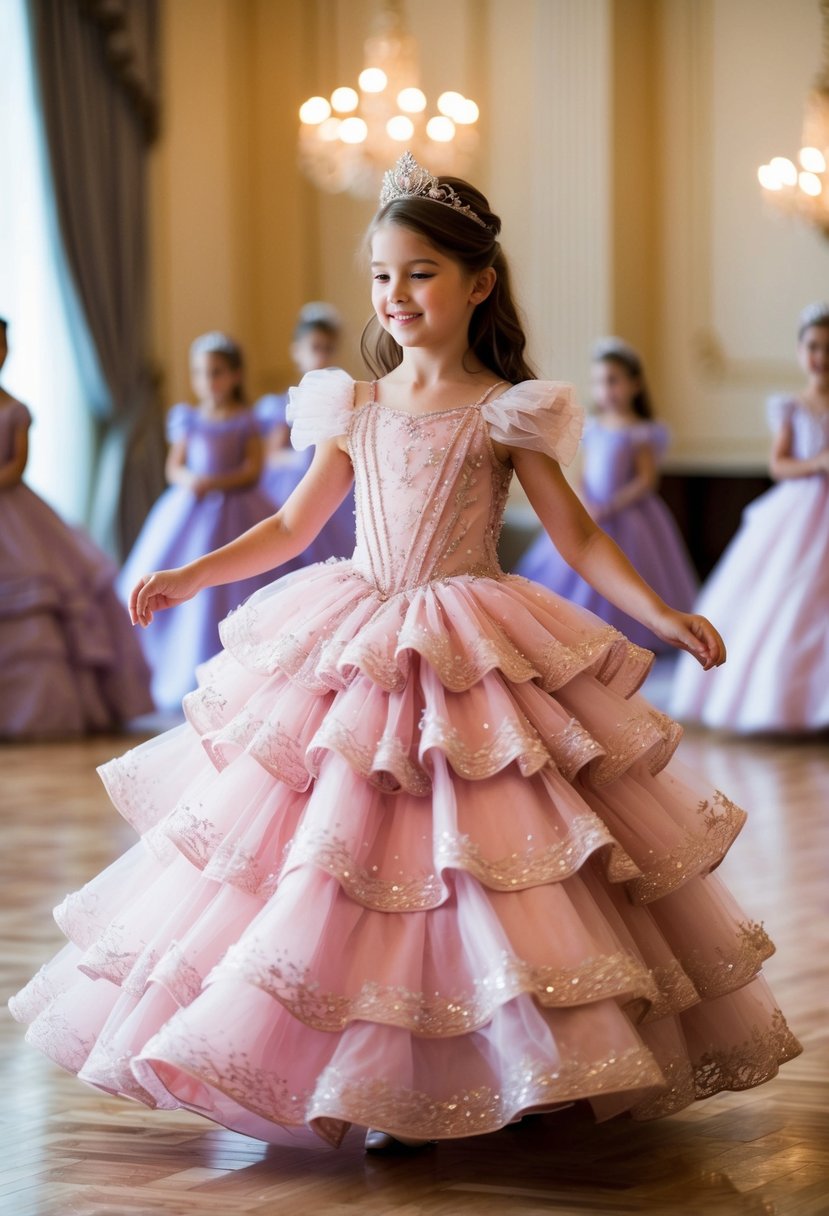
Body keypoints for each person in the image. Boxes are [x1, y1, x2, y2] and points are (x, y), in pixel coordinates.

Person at [10, 154, 799, 1153]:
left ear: (478, 283)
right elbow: (294, 529)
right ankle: (337, 1062)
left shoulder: (506, 410)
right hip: (355, 634)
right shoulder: (353, 405)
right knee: (332, 858)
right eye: (383, 275)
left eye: (420, 273)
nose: (397, 295)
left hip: (470, 642)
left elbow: (581, 538)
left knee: (487, 865)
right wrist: (190, 572)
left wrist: (663, 611)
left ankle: (512, 1061)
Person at [671, 302, 829, 732]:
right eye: (814, 346)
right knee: (792, 595)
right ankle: (784, 702)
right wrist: (817, 464)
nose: (821, 357)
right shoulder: (792, 407)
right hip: (801, 509)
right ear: (801, 351)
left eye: (828, 348)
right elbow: (779, 465)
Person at [0, 316, 152, 738]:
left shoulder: (15, 409)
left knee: (40, 597)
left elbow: (16, 466)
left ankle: (37, 712)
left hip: (14, 512)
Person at [118, 332, 276, 709]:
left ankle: (238, 672)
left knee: (234, 585)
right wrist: (190, 480)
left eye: (217, 372)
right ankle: (180, 670)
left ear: (236, 375)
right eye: (201, 373)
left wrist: (217, 483)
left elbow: (253, 470)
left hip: (237, 510)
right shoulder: (189, 419)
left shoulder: (246, 420)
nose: (208, 381)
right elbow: (175, 465)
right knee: (178, 578)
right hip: (191, 508)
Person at [516, 338, 697, 651]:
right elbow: (582, 474)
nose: (605, 389)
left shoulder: (638, 430)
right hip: (592, 509)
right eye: (599, 381)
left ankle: (626, 633)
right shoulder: (595, 427)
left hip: (629, 515)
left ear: (634, 384)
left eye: (613, 381)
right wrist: (586, 501)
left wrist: (612, 506)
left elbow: (645, 480)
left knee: (625, 571)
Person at [254, 302, 354, 565]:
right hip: (293, 481)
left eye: (327, 349)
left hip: (331, 476)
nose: (321, 356)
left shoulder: (342, 397)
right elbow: (272, 453)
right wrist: (298, 461)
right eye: (314, 348)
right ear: (297, 351)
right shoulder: (285, 404)